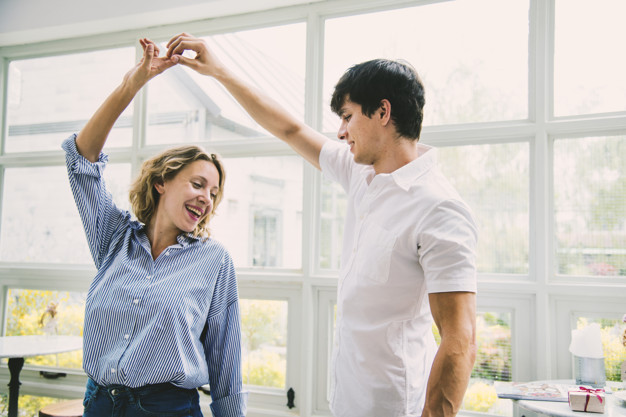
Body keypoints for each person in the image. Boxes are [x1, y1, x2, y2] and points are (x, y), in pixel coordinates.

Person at [165, 33, 478, 417]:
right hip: (347, 400)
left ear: (382, 112)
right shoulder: (360, 173)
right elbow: (290, 130)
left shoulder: (439, 207)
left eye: (347, 117)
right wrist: (219, 72)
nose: (341, 131)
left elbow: (460, 338)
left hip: (397, 406)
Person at [63, 38, 247, 416]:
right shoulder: (114, 237)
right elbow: (81, 158)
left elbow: (225, 361)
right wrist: (133, 83)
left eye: (213, 193)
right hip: (100, 403)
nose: (206, 199)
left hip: (169, 409)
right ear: (162, 181)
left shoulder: (213, 261)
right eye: (198, 184)